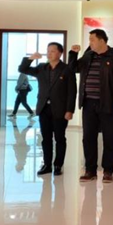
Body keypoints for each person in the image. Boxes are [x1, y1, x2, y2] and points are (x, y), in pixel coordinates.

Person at [68, 29, 113, 183]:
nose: (90, 43)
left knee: (110, 137)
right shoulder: (89, 55)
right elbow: (74, 69)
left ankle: (108, 170)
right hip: (88, 103)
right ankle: (90, 170)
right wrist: (73, 54)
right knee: (88, 137)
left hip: (108, 102)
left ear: (102, 41)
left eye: (92, 40)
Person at [18, 43, 76, 176]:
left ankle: (58, 165)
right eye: (48, 51)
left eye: (53, 51)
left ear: (60, 53)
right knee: (46, 138)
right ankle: (47, 164)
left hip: (60, 109)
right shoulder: (41, 68)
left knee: (60, 138)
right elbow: (22, 69)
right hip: (44, 108)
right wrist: (31, 58)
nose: (49, 53)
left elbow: (72, 92)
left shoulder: (67, 69)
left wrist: (70, 110)